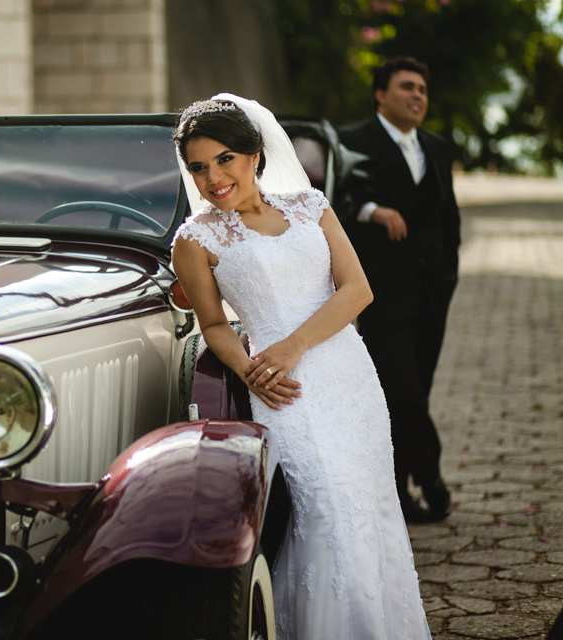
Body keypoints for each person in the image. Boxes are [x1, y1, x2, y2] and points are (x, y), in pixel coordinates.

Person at [171, 93, 431, 639]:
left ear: (254, 155)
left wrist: (293, 344)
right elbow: (214, 326)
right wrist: (250, 370)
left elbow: (357, 289)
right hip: (283, 389)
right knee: (324, 512)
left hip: (348, 376)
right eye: (198, 167)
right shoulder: (195, 240)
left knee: (373, 507)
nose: (213, 177)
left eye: (224, 159)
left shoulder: (309, 206)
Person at [338, 56, 460, 523]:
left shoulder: (436, 147)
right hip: (381, 290)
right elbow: (329, 201)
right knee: (400, 391)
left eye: (423, 89)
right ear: (380, 94)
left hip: (432, 290)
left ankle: (404, 485)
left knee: (417, 391)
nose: (418, 96)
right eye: (407, 86)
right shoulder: (351, 141)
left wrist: (448, 271)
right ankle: (423, 479)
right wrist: (373, 210)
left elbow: (448, 218)